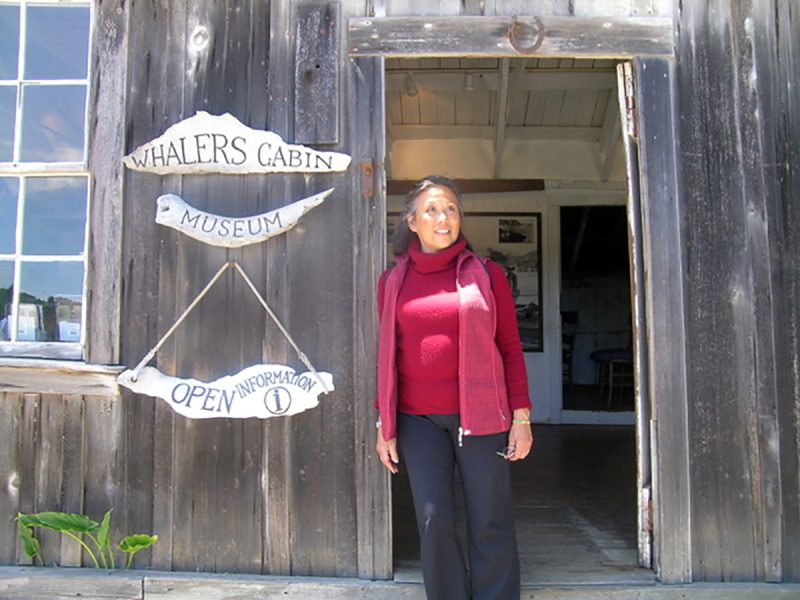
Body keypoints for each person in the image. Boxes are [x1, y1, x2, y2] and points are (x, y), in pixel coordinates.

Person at [375, 176, 533, 600]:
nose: (442, 217)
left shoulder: (487, 274)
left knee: (489, 518)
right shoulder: (391, 282)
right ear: (411, 222)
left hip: (482, 416)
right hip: (417, 420)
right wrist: (383, 424)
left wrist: (521, 417)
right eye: (431, 209)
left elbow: (510, 349)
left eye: (450, 209)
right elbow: (386, 357)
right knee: (433, 520)